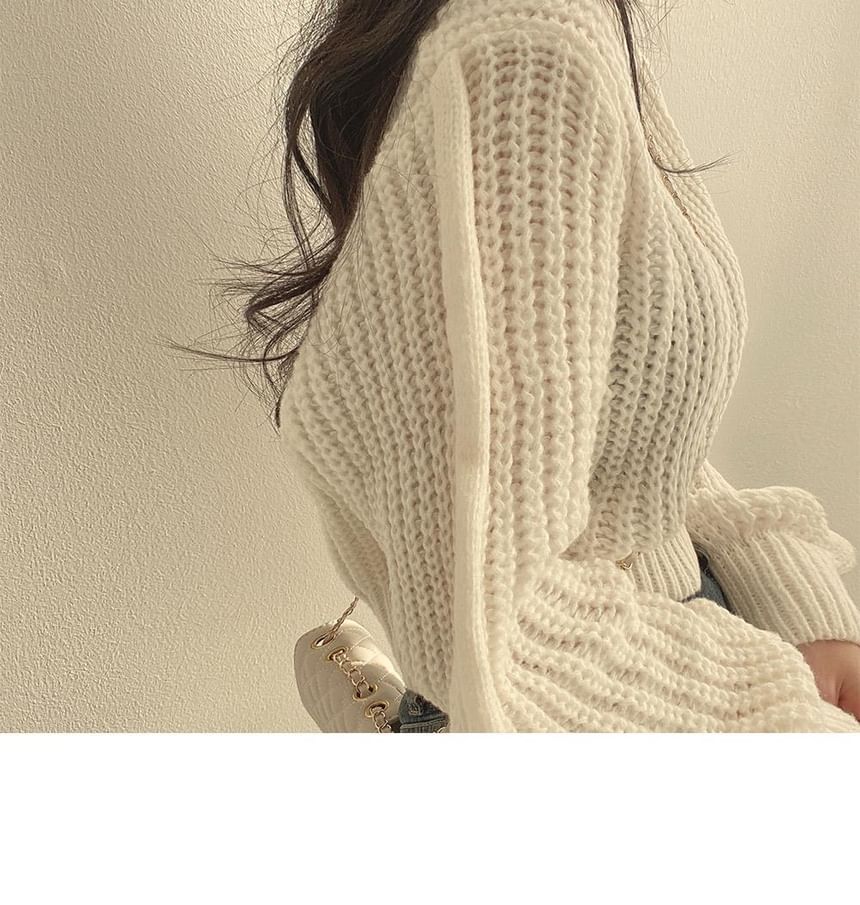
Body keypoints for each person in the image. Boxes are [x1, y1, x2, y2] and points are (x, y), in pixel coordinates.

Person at [179, 0, 860, 730]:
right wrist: (789, 724)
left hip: (679, 654)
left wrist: (793, 604)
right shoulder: (528, 57)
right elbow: (485, 620)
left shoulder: (572, 38)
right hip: (620, 699)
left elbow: (633, 443)